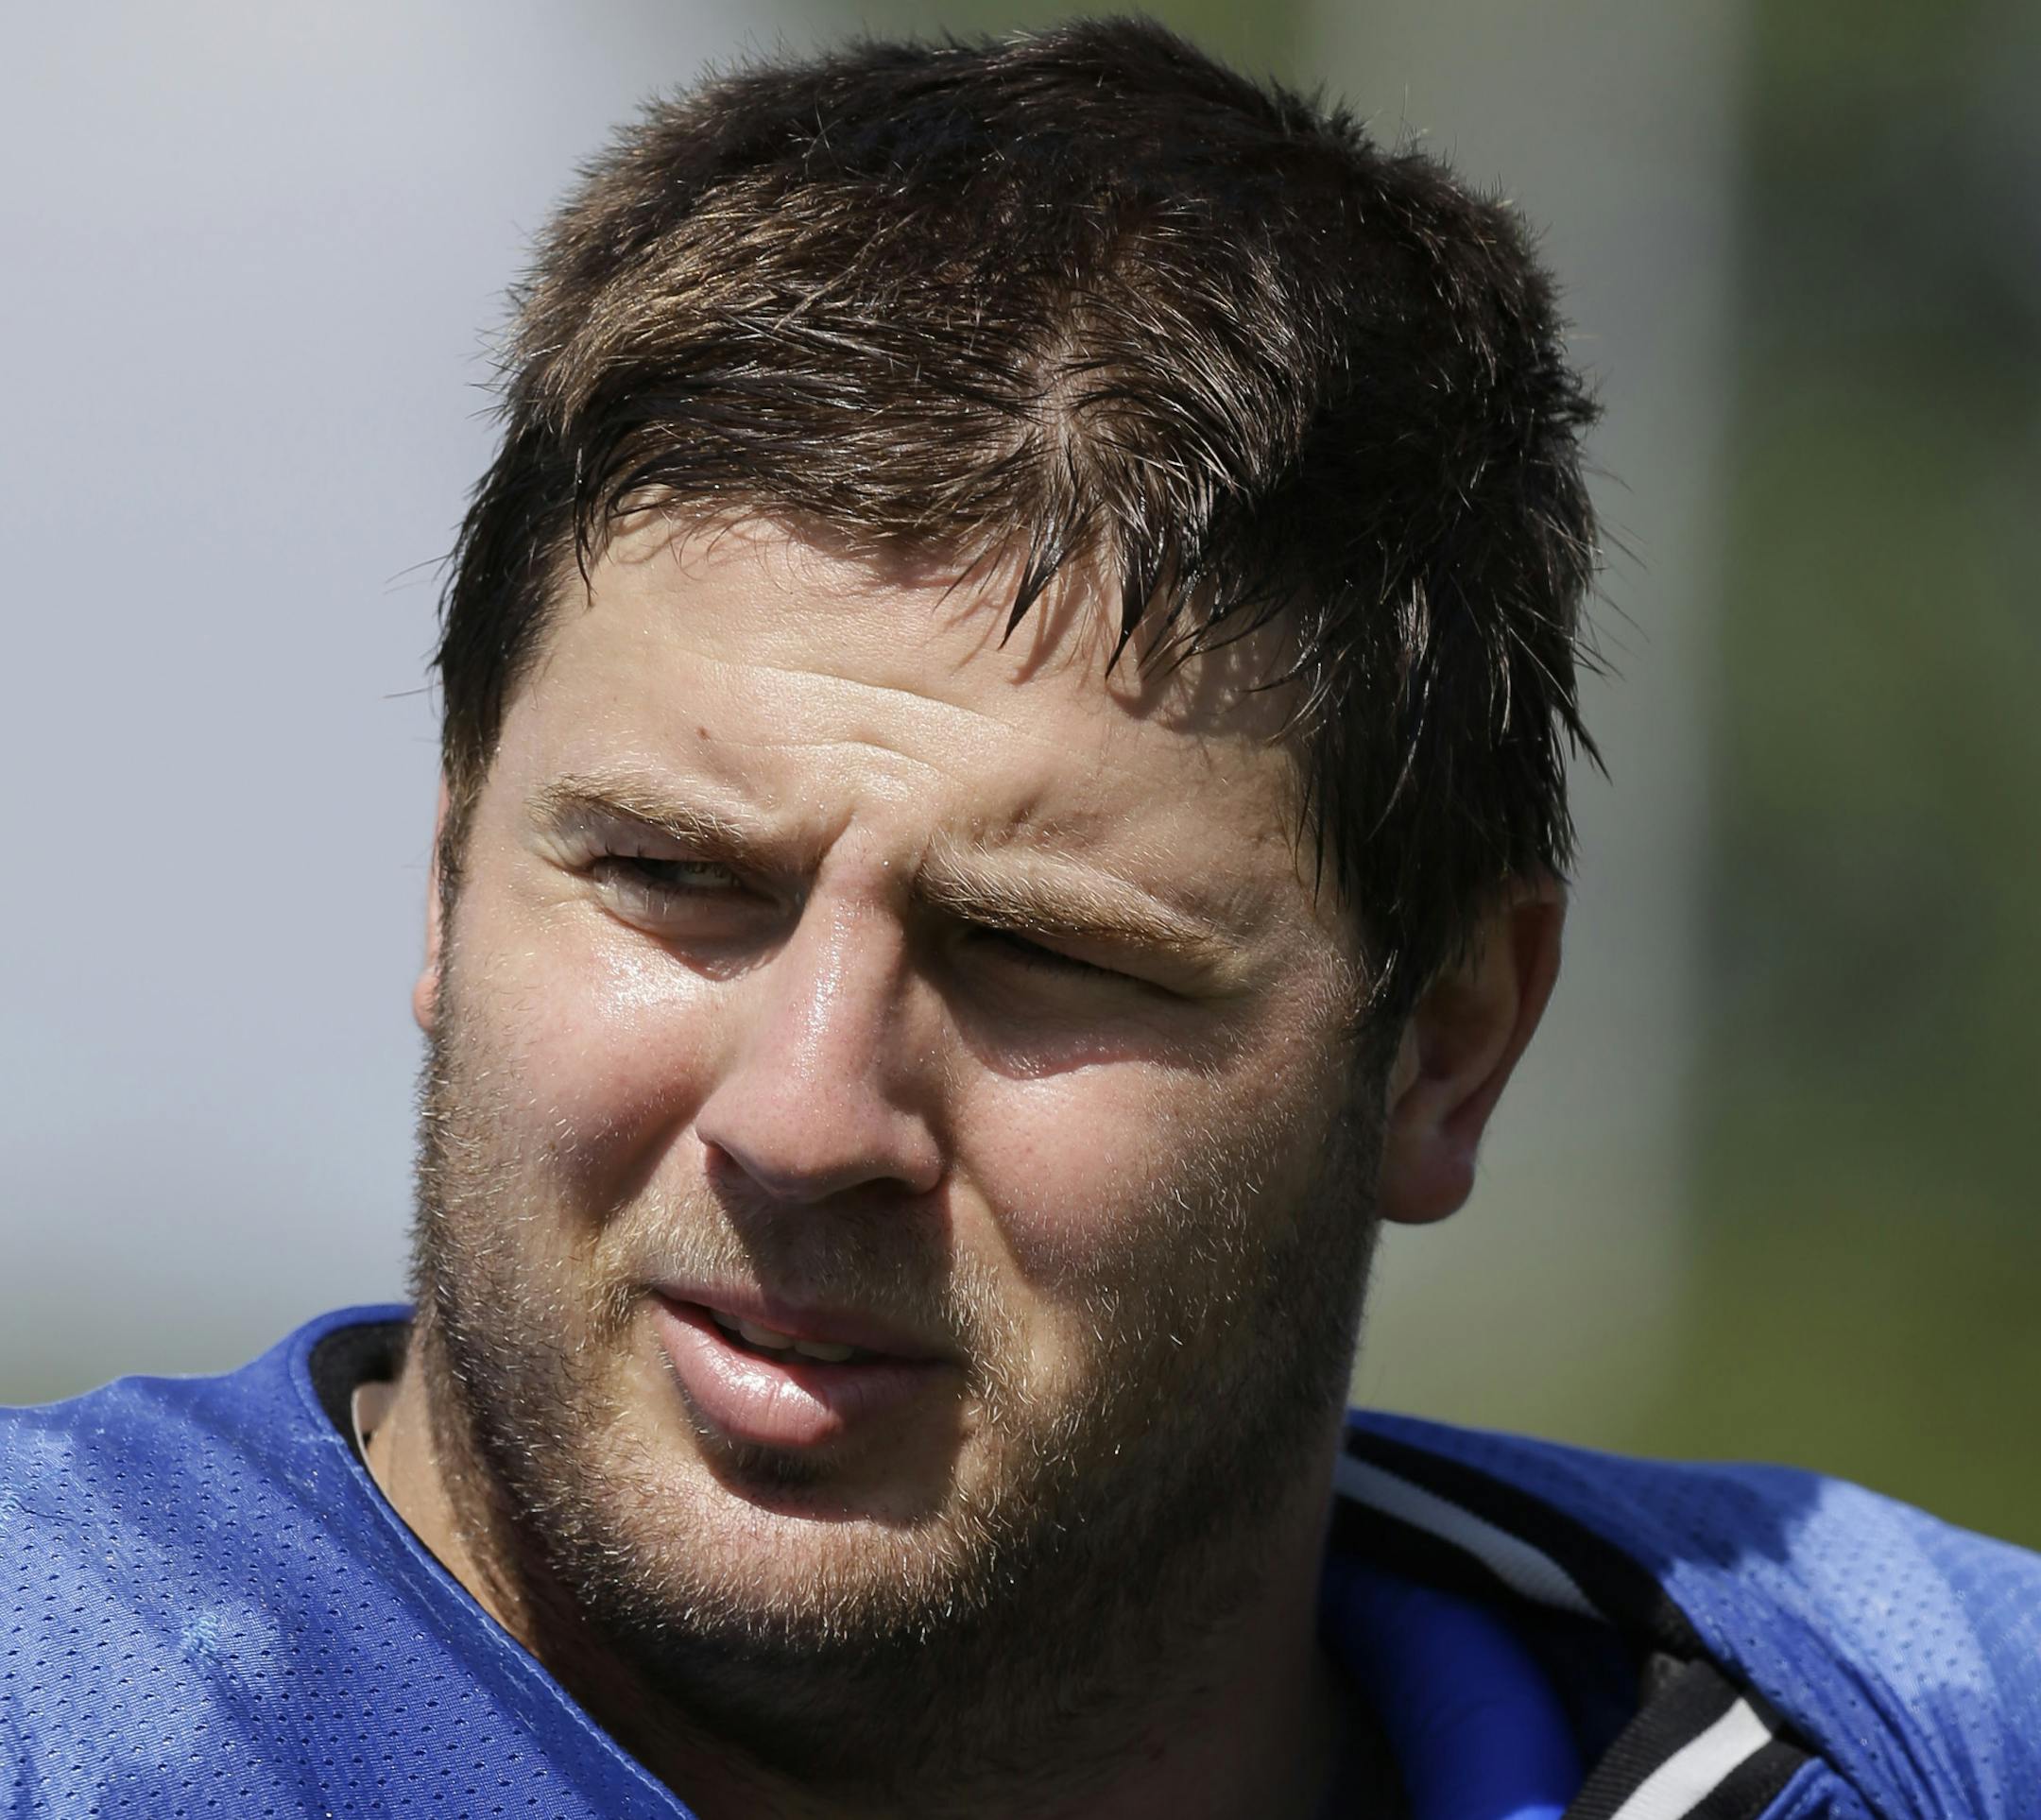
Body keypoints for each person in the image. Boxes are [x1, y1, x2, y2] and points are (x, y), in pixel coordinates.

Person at [3, 19, 2034, 1820]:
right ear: (453, 871)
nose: (803, 1120)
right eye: (675, 880)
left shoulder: (1895, 1734)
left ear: (1449, 1045)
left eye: (1037, 950)